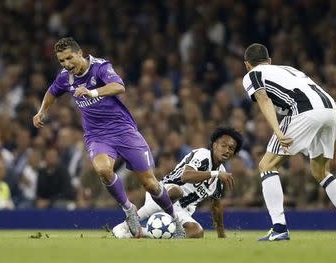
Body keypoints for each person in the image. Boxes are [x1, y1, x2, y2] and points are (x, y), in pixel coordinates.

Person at [32, 37, 174, 237]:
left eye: (69, 58)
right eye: (62, 61)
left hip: (123, 130)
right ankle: (128, 209)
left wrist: (92, 92)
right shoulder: (65, 77)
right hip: (97, 135)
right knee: (103, 170)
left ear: (80, 53)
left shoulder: (100, 67)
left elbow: (119, 86)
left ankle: (174, 217)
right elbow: (52, 91)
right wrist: (42, 111)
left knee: (150, 183)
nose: (66, 64)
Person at [242, 43, 336, 241]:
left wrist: (277, 130)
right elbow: (329, 99)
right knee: (321, 172)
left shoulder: (252, 75)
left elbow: (263, 99)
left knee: (267, 166)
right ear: (270, 61)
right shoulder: (290, 70)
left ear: (247, 65)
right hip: (330, 112)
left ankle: (279, 227)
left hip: (303, 112)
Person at [112, 127, 243, 239]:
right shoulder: (203, 155)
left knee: (197, 232)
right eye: (223, 145)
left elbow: (216, 205)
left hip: (181, 210)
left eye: (231, 148)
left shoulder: (221, 174)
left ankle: (142, 232)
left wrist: (221, 234)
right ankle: (125, 225)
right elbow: (186, 176)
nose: (226, 150)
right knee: (177, 191)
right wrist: (215, 173)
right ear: (215, 145)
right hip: (163, 192)